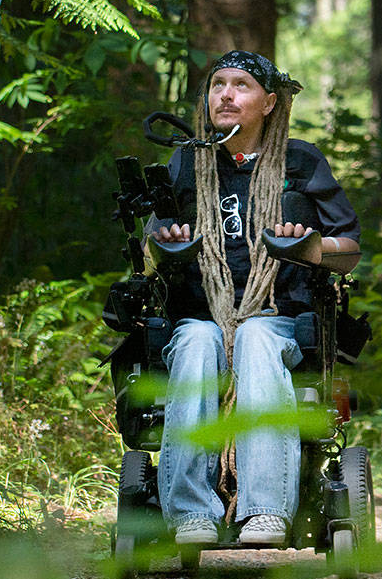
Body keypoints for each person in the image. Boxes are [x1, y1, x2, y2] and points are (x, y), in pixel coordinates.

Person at [148, 50, 361, 546]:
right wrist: (166, 246)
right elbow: (147, 252)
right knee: (198, 342)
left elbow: (348, 250)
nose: (225, 94)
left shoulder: (302, 160)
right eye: (218, 84)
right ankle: (192, 515)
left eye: (241, 85)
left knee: (256, 338)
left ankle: (265, 513)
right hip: (202, 317)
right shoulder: (187, 160)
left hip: (279, 317)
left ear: (268, 102)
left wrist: (311, 248)